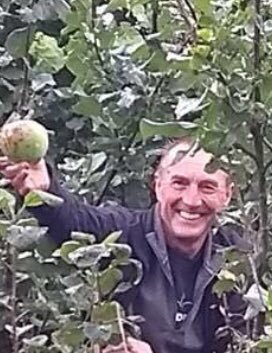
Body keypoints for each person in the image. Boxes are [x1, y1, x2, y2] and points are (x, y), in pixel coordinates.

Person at [0, 138, 254, 353]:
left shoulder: (237, 258)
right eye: (179, 183)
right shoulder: (124, 233)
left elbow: (246, 342)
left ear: (227, 195)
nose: (191, 200)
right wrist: (46, 189)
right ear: (158, 184)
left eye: (207, 187)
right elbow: (75, 221)